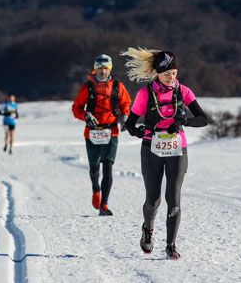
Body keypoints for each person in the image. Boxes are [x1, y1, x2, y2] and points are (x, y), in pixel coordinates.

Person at [121, 48, 208, 260]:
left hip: (178, 149)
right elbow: (130, 124)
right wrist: (137, 131)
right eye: (167, 73)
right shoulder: (145, 93)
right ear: (157, 73)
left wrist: (185, 121)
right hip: (151, 148)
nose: (172, 77)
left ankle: (170, 245)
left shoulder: (184, 91)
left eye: (174, 72)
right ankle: (148, 230)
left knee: (174, 198)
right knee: (153, 199)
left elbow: (203, 119)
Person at [71, 54, 132, 216]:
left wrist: (125, 116)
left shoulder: (118, 86)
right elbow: (76, 108)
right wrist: (85, 116)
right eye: (100, 68)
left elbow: (126, 103)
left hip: (111, 131)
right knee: (94, 168)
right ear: (95, 68)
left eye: (106, 68)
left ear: (110, 68)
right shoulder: (87, 87)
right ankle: (95, 189)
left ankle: (104, 205)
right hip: (92, 132)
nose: (103, 71)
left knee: (108, 167)